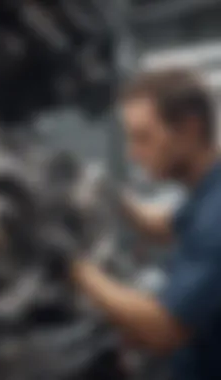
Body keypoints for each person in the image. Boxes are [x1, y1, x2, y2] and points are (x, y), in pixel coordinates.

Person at [70, 68, 221, 380]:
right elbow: (163, 225)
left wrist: (73, 268)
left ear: (189, 130)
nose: (132, 153)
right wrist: (115, 198)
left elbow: (163, 331)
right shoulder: (208, 189)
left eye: (143, 137)